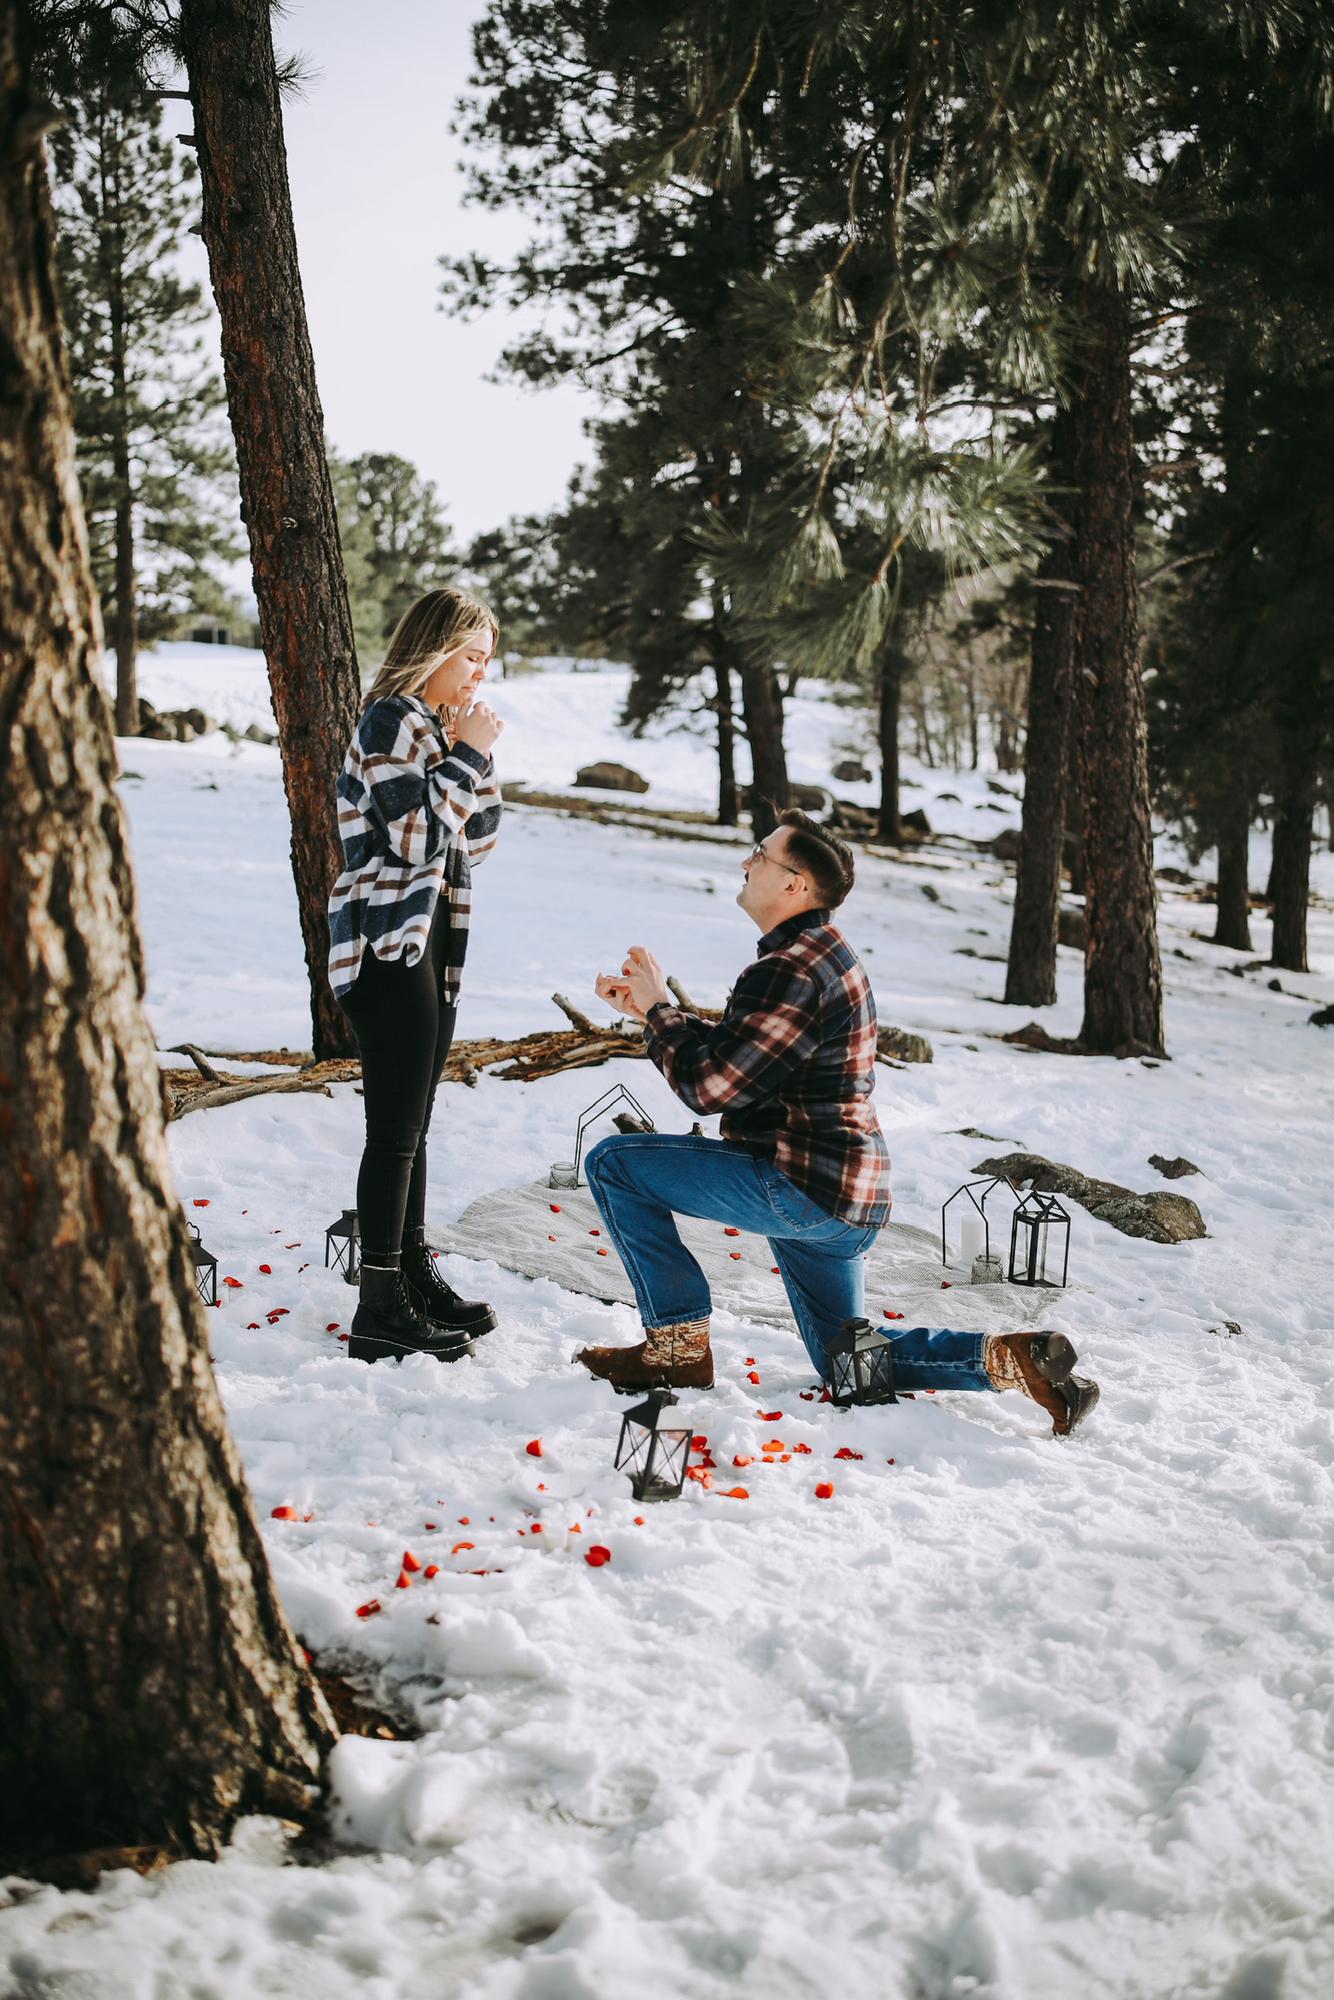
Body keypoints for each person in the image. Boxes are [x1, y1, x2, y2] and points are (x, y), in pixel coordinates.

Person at [581, 810, 1099, 1436]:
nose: (746, 862)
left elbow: (709, 1087)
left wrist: (660, 1009)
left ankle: (676, 1347)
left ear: (793, 883)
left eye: (760, 853)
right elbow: (749, 1056)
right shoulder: (824, 952)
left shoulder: (789, 969)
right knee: (844, 1362)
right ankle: (1016, 1361)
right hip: (850, 1197)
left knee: (613, 1165)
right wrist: (654, 1013)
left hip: (800, 1187)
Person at [328, 587, 505, 1364]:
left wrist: (475, 753)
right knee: (395, 1131)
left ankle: (412, 1277)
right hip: (385, 942)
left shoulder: (436, 727)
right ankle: (379, 1306)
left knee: (415, 1125)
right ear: (433, 648)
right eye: (471, 656)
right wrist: (466, 757)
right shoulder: (389, 720)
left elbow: (478, 839)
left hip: (433, 942)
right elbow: (412, 839)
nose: (480, 672)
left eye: (487, 660)